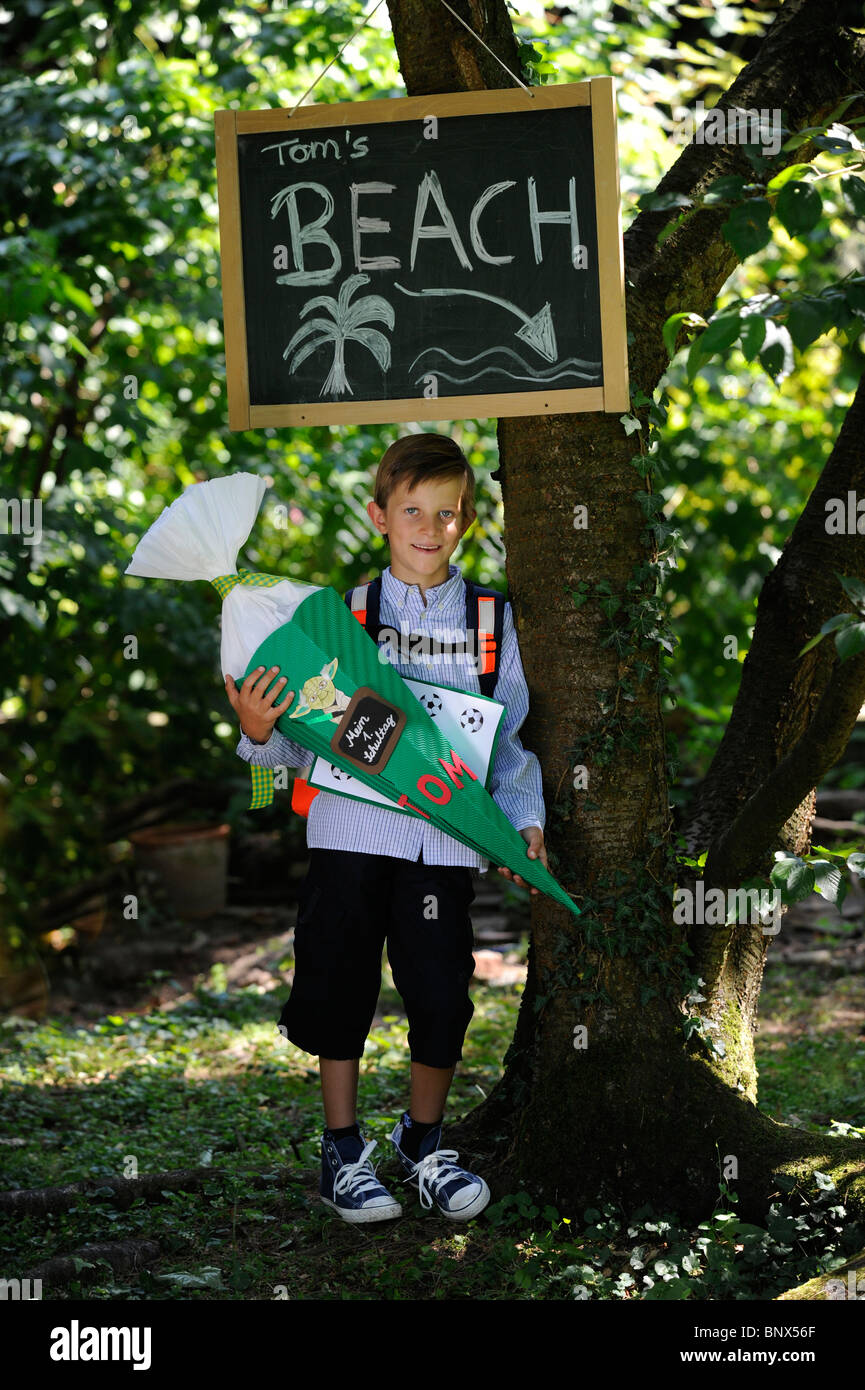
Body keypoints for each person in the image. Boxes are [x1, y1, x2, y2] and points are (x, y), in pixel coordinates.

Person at [224, 434, 548, 1225]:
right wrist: (257, 729)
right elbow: (293, 744)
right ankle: (342, 1151)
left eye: (447, 513)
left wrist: (524, 819)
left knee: (440, 994)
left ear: (466, 520)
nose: (429, 528)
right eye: (412, 511)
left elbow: (508, 745)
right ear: (379, 515)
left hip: (441, 845)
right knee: (337, 982)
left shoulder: (493, 620)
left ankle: (424, 1143)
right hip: (347, 836)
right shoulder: (337, 618)